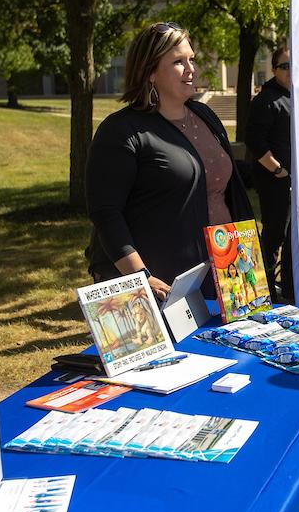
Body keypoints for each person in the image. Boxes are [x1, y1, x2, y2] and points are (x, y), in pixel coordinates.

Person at [85, 22, 253, 302]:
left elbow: (223, 183)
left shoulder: (205, 115)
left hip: (226, 269)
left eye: (192, 59)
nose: (191, 69)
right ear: (150, 72)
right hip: (163, 285)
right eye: (178, 61)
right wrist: (141, 277)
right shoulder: (122, 130)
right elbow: (105, 213)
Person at [245, 46, 293, 300]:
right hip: (274, 181)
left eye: (293, 65)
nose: (290, 71)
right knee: (274, 234)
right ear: (274, 70)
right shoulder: (266, 100)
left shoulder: (293, 96)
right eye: (284, 66)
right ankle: (263, 291)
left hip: (292, 182)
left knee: (289, 235)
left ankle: (285, 287)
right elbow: (254, 140)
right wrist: (278, 170)